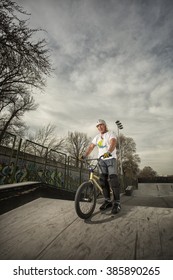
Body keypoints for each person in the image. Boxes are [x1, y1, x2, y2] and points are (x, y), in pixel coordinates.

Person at [81, 119, 121, 214]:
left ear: (105, 125)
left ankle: (117, 203)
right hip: (101, 160)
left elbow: (113, 143)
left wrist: (108, 152)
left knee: (113, 179)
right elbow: (91, 147)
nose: (100, 127)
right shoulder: (97, 137)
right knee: (102, 180)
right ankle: (107, 201)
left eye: (101, 125)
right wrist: (84, 155)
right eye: (98, 126)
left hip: (110, 159)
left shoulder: (111, 133)